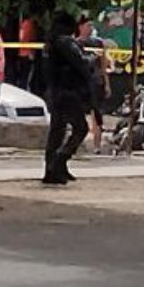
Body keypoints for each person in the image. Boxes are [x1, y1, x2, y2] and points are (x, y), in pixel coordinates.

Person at [42, 11, 99, 184]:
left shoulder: (50, 44)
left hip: (55, 91)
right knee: (80, 128)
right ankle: (60, 160)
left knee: (57, 131)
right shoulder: (65, 42)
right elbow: (81, 63)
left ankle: (52, 169)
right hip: (68, 92)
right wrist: (93, 58)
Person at [75, 14, 113, 153]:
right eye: (88, 25)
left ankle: (97, 146)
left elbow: (103, 65)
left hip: (96, 83)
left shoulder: (98, 43)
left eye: (92, 25)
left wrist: (107, 84)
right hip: (82, 83)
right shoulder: (75, 44)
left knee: (97, 114)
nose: (90, 28)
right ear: (80, 27)